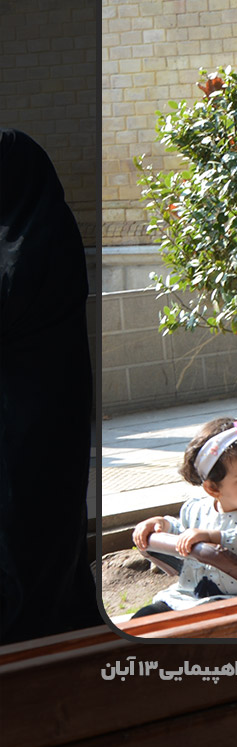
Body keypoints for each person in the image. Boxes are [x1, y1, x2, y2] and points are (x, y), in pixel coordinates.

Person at [0, 130, 98, 642]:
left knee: (27, 520)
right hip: (51, 405)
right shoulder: (47, 225)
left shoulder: (29, 244)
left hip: (28, 415)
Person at [129, 417, 237, 616]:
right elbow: (184, 535)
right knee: (145, 617)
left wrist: (213, 537)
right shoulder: (196, 510)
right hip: (192, 596)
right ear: (213, 488)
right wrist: (162, 525)